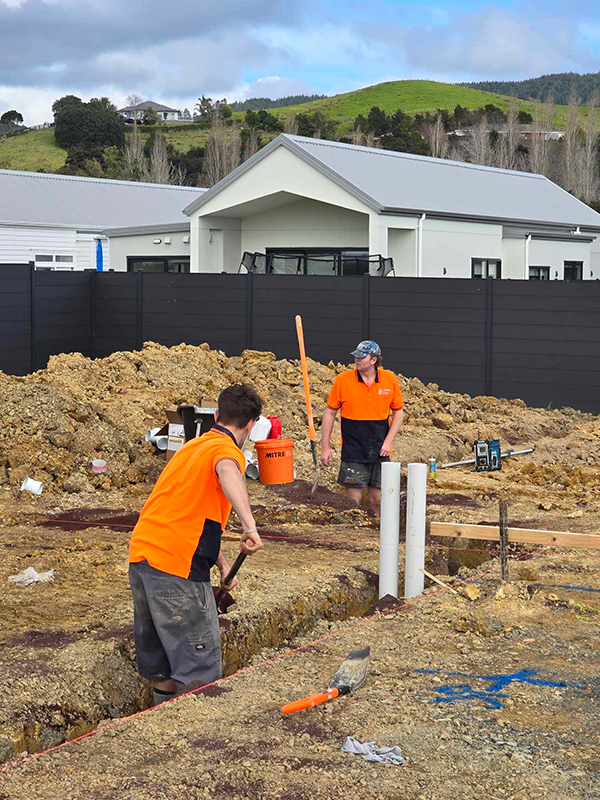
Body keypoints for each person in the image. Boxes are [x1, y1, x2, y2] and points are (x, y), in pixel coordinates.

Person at [128, 384, 263, 706]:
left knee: (159, 664)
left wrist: (222, 562)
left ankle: (160, 723)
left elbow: (185, 513)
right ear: (251, 425)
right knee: (199, 668)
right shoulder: (227, 453)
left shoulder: (190, 449)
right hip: (177, 568)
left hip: (143, 558)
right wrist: (249, 525)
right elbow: (228, 471)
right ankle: (187, 738)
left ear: (217, 415)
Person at [320, 340, 403, 514]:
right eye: (355, 356)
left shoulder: (389, 380)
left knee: (378, 501)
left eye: (361, 357)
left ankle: (377, 535)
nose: (356, 360)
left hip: (380, 449)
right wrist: (325, 447)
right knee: (352, 504)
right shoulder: (343, 380)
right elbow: (329, 413)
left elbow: (398, 412)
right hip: (353, 449)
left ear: (374, 360)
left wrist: (388, 442)